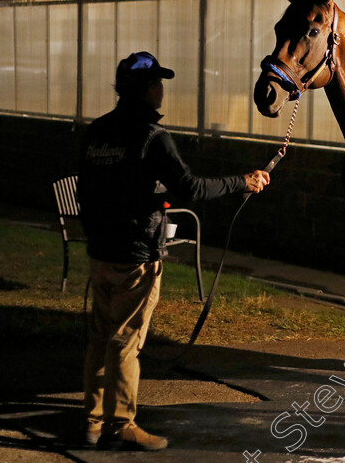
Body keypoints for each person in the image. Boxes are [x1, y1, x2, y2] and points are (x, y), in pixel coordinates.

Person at [78, 51, 270, 451]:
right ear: (149, 90)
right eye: (158, 83)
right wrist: (243, 181)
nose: (162, 89)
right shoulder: (153, 138)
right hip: (137, 255)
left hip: (100, 251)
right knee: (126, 340)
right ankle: (121, 424)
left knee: (100, 337)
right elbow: (192, 189)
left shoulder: (96, 132)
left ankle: (92, 422)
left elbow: (90, 190)